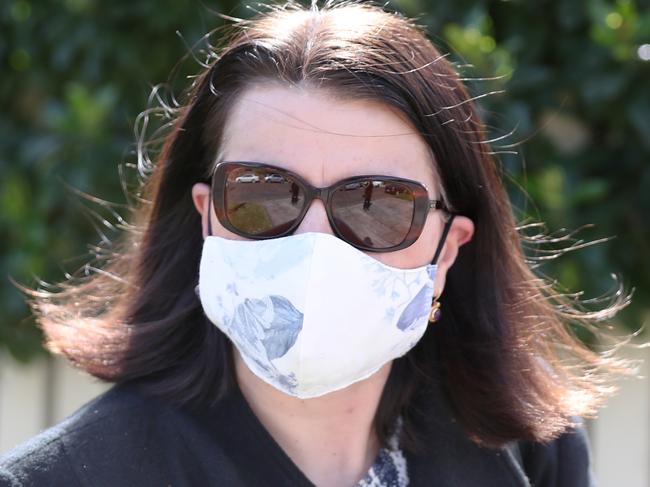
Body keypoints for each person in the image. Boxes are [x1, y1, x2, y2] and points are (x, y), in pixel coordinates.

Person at [0, 1, 635, 486]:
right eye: (263, 193)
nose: (315, 245)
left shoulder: (530, 452)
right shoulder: (72, 477)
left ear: (446, 250)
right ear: (206, 217)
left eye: (379, 206)